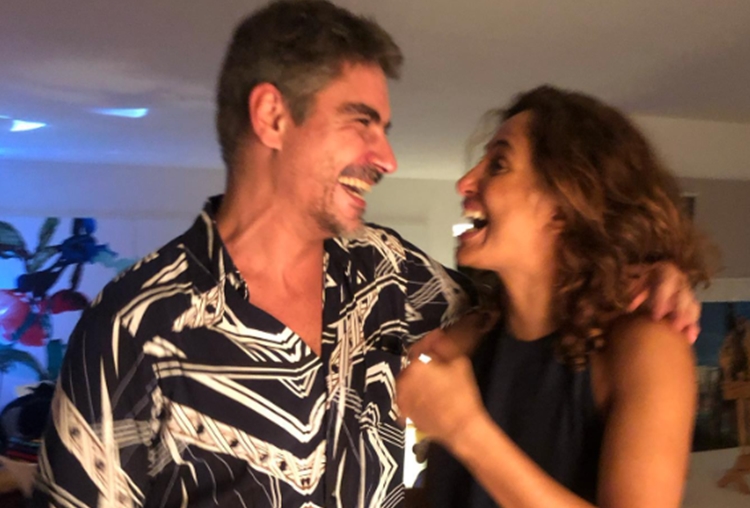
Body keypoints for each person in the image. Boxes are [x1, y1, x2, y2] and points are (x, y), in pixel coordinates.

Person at [32, 2, 698, 507]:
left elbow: (541, 297)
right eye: (362, 122)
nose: (387, 158)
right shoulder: (131, 330)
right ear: (272, 117)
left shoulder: (389, 275)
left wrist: (654, 269)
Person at [396, 86, 712, 508]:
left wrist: (466, 431)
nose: (465, 183)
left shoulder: (647, 347)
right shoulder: (467, 337)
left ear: (563, 206)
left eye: (499, 165)